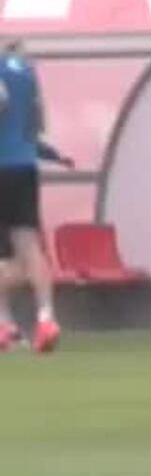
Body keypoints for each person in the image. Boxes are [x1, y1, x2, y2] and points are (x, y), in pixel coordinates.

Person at [0, 45, 63, 353]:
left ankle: (4, 324)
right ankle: (45, 317)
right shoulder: (26, 69)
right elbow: (39, 123)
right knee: (29, 246)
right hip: (24, 165)